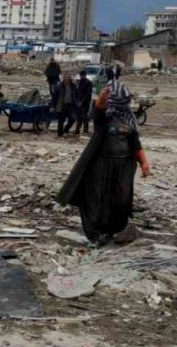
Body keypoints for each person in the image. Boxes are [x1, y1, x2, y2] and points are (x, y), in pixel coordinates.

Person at [57, 86, 151, 246]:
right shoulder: (104, 118)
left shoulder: (130, 121)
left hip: (123, 166)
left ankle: (112, 230)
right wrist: (102, 97)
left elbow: (136, 144)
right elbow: (98, 108)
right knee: (97, 199)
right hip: (101, 165)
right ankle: (95, 233)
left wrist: (144, 163)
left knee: (120, 198)